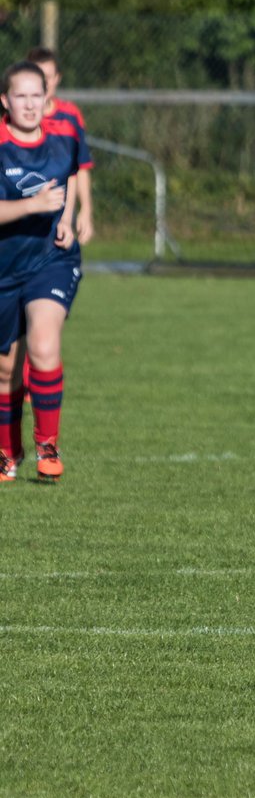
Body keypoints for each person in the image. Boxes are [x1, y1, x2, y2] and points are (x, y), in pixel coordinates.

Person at [0, 60, 82, 483]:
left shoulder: (63, 139)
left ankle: (48, 447)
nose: (30, 104)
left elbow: (66, 184)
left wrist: (67, 218)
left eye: (37, 95)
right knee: (5, 371)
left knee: (44, 344)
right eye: (21, 96)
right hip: (3, 269)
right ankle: (7, 453)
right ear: (5, 101)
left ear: (47, 100)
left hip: (51, 259)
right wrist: (32, 206)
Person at [26, 47, 93, 246]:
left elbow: (80, 167)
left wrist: (86, 210)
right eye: (39, 76)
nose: (44, 83)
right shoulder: (12, 120)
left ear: (57, 78)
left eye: (49, 76)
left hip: (58, 217)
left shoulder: (70, 116)